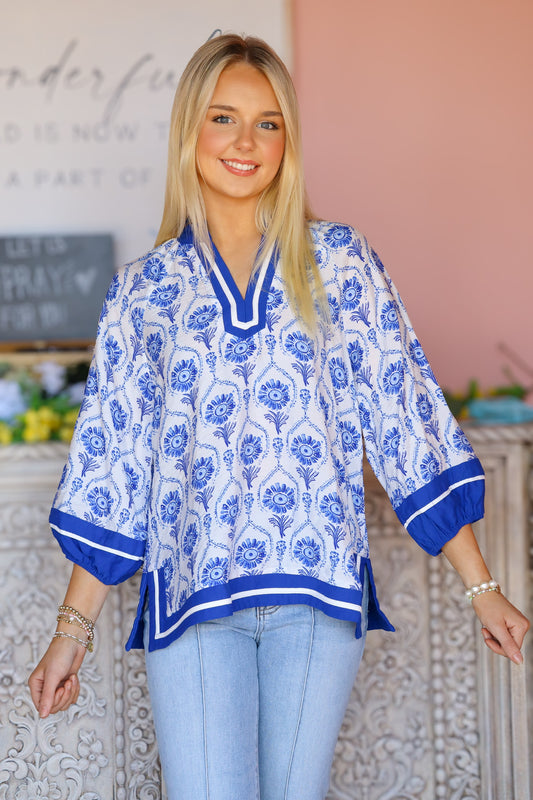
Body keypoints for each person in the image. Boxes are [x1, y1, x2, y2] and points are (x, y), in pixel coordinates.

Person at [29, 33, 529, 800]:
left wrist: (481, 587)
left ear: (287, 140)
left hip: (316, 596)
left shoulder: (340, 262)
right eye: (223, 118)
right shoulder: (142, 291)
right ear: (189, 129)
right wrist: (72, 633)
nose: (246, 142)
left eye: (267, 123)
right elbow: (113, 466)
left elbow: (404, 419)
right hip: (193, 599)